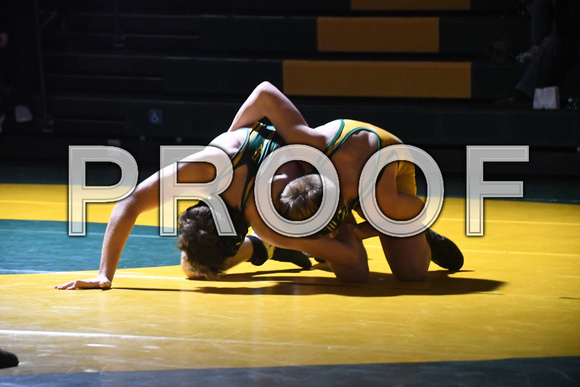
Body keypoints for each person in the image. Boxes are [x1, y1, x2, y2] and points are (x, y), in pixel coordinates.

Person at [55, 121, 365, 290]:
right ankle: (266, 248)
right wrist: (104, 274)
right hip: (298, 189)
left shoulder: (262, 211)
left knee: (353, 274)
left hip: (332, 178)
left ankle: (267, 247)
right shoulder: (211, 170)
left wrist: (104, 275)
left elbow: (131, 201)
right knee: (192, 266)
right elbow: (131, 201)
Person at [228, 82, 464, 282]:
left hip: (389, 174)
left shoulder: (381, 199)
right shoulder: (309, 144)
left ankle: (426, 239)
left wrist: (359, 231)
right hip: (344, 181)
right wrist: (229, 142)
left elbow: (417, 208)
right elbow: (264, 93)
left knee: (411, 274)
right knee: (355, 277)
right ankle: (301, 241)